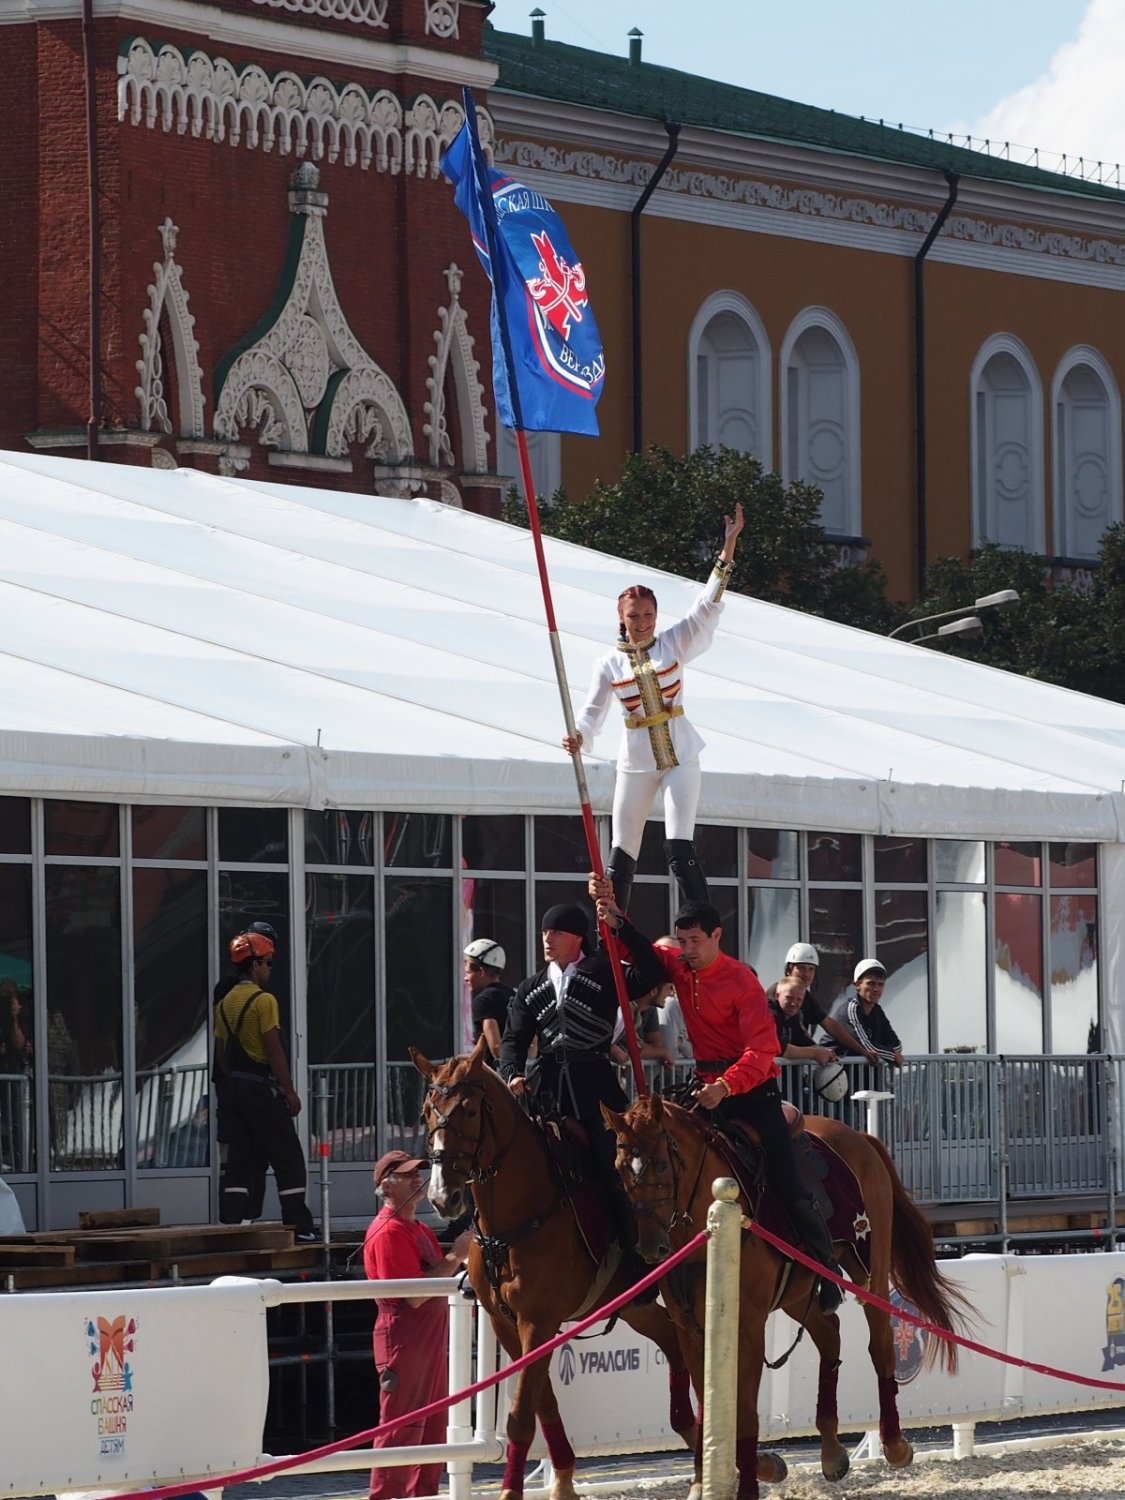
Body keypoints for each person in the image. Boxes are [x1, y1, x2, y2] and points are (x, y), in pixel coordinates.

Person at [593, 879, 843, 1314]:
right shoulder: (679, 966)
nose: (687, 949)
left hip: (751, 1092)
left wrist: (725, 1086)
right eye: (683, 941)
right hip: (704, 1087)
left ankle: (826, 1272)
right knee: (654, 1153)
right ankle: (648, 1260)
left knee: (785, 1175)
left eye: (695, 940)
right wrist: (610, 913)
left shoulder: (742, 981)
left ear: (716, 937)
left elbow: (762, 1049)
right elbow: (639, 950)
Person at [561, 503, 744, 912]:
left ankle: (702, 922)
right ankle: (612, 927)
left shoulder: (673, 643)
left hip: (681, 754)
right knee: (622, 850)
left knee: (679, 844)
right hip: (637, 760)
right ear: (621, 618)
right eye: (633, 616)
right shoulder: (608, 662)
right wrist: (579, 735)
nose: (641, 622)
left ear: (656, 616)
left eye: (647, 615)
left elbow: (706, 605)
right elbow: (593, 711)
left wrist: (728, 547)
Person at [498, 900, 665, 1293]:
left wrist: (620, 927)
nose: (547, 939)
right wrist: (512, 1073)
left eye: (555, 932)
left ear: (577, 938)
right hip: (547, 1090)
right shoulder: (530, 987)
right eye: (544, 933)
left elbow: (652, 972)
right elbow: (513, 1039)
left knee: (615, 1169)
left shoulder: (606, 970)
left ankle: (636, 1260)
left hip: (595, 1085)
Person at [363, 1150, 473, 1500]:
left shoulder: (417, 1227)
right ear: (386, 1185)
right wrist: (456, 1256)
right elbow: (413, 1295)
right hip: (404, 1340)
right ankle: (387, 1496)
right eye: (408, 1174)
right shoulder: (390, 1231)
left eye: (417, 1173)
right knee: (402, 1427)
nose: (417, 1179)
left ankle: (422, 1494)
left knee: (431, 1426)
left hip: (425, 1341)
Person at [214, 929, 316, 1240]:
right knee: (288, 1158)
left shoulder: (225, 1003)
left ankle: (234, 1226)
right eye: (268, 963)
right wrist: (290, 1092)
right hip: (261, 1088)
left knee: (240, 1160)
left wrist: (233, 1087)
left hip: (235, 1091)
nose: (270, 968)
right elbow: (274, 1049)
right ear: (255, 965)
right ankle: (299, 1228)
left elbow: (221, 1053)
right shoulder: (264, 1000)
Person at [768, 942, 878, 1064]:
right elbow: (775, 1045)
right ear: (789, 970)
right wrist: (815, 1052)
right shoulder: (770, 1004)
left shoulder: (805, 998)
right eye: (801, 968)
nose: (806, 974)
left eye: (811, 969)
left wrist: (862, 1051)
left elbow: (827, 1024)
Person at [821, 959, 905, 1070]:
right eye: (871, 983)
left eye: (880, 984)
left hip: (861, 1075)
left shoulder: (877, 1011)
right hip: (835, 1073)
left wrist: (891, 1052)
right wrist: (892, 1055)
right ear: (858, 984)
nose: (876, 989)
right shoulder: (851, 1009)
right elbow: (867, 1046)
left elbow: (897, 1045)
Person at [463, 938, 514, 1065]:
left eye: (468, 973)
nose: (465, 978)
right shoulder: (513, 995)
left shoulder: (483, 1001)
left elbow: (496, 1047)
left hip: (496, 1077)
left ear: (481, 972)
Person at [769, 978, 836, 1067]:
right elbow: (777, 1047)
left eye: (799, 1000)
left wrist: (825, 1052)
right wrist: (814, 1053)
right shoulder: (768, 1014)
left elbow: (802, 1040)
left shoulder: (792, 1016)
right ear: (777, 996)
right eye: (789, 998)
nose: (793, 1004)